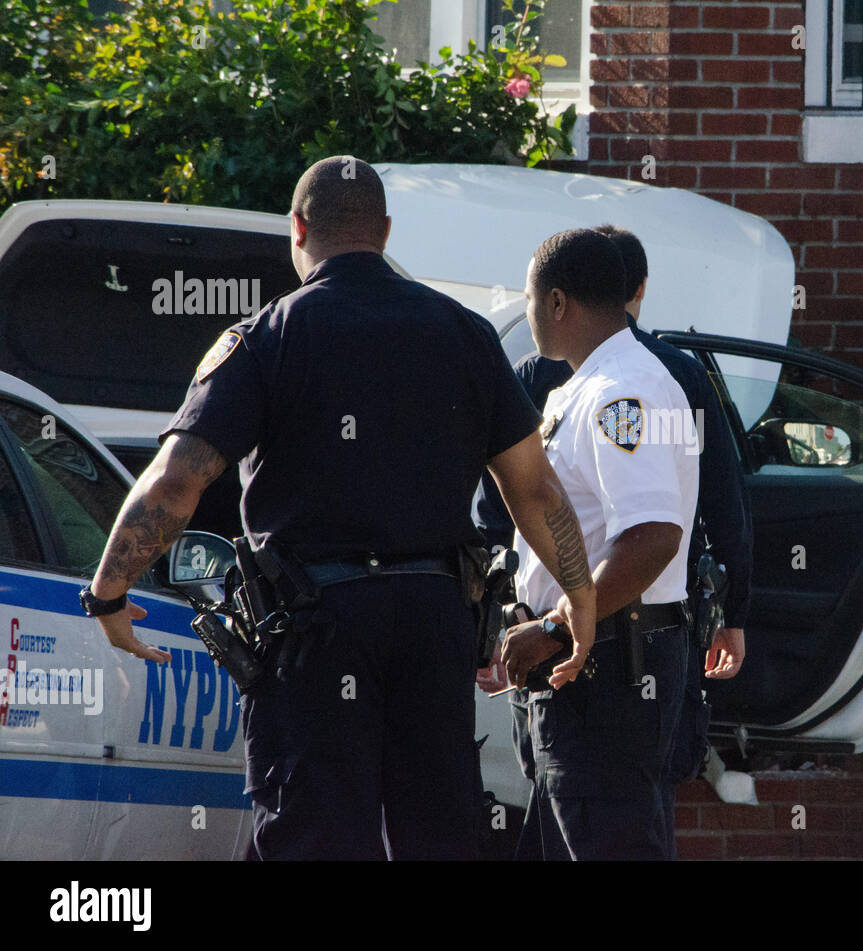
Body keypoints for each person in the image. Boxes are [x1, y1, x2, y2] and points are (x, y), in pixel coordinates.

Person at [80, 155, 595, 860]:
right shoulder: (466, 334)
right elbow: (533, 488)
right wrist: (581, 597)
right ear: (385, 231)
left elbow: (176, 483)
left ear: (298, 229)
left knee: (315, 837)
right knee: (439, 833)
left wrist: (107, 592)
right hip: (433, 618)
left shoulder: (265, 337)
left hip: (315, 628)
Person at [474, 223, 751, 859]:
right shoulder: (589, 385)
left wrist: (556, 628)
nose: (529, 314)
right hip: (585, 667)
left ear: (558, 302)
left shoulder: (623, 391)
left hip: (608, 671)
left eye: (529, 300)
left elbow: (652, 536)